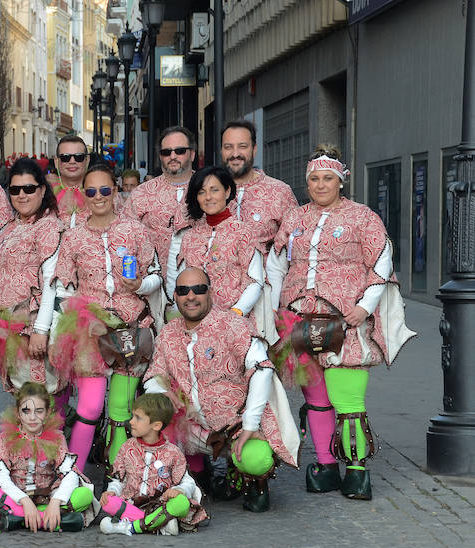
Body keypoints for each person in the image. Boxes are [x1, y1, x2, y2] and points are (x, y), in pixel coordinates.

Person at [266, 145, 415, 500]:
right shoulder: (294, 218)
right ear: (307, 182)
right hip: (299, 321)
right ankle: (326, 466)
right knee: (317, 400)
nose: (320, 185)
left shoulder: (363, 217)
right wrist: (274, 311)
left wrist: (364, 307)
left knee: (348, 402)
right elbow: (276, 264)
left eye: (327, 178)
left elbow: (381, 261)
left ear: (340, 181)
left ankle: (357, 472)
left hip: (345, 323)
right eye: (314, 179)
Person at [143, 267, 299, 512]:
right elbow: (152, 375)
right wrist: (161, 392)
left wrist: (250, 424)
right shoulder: (168, 333)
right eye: (183, 291)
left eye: (198, 289)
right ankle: (196, 472)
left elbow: (262, 368)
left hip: (236, 428)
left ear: (210, 292)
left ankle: (253, 481)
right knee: (149, 417)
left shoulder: (234, 325)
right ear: (175, 296)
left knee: (257, 459)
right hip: (193, 430)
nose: (191, 296)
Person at [50, 163, 162, 472]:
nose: (98, 197)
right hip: (90, 334)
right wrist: (77, 320)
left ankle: (117, 476)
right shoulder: (72, 238)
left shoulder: (136, 231)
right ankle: (73, 476)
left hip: (131, 329)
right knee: (89, 407)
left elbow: (156, 275)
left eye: (104, 190)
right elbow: (63, 289)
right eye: (90, 191)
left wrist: (140, 285)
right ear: (83, 195)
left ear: (115, 190)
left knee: (120, 409)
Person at [0, 158, 65, 402]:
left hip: (32, 330)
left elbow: (52, 282)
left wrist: (40, 331)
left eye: (29, 188)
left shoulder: (48, 226)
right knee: (23, 402)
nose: (22, 195)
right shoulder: (11, 226)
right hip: (10, 332)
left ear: (42, 190)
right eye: (15, 189)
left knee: (37, 402)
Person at [172, 165, 274, 342]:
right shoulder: (190, 237)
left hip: (235, 325)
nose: (208, 197)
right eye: (202, 192)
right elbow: (180, 281)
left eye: (214, 190)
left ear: (227, 192)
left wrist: (236, 313)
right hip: (195, 325)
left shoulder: (243, 232)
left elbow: (255, 281)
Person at [0, 383, 98, 533]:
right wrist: (25, 501)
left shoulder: (57, 438)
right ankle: (47, 520)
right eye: (26, 411)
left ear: (47, 413)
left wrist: (56, 502)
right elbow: (1, 478)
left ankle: (21, 519)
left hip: (47, 499)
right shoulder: (4, 438)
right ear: (18, 413)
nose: (32, 417)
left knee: (85, 494)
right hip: (17, 499)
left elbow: (70, 473)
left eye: (39, 411)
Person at [98, 393, 206, 536]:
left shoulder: (173, 452)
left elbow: (187, 482)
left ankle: (131, 527)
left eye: (138, 418)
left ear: (156, 425)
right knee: (108, 502)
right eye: (133, 416)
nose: (131, 421)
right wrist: (113, 491)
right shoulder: (127, 448)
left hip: (161, 505)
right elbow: (118, 479)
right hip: (131, 505)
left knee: (182, 503)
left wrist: (179, 490)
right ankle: (160, 523)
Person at [122, 126, 196, 280]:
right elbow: (124, 239)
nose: (173, 156)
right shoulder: (141, 194)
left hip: (201, 287)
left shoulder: (209, 190)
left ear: (192, 154)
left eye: (180, 151)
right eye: (166, 152)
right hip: (152, 285)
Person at [220, 120, 298, 251]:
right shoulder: (209, 193)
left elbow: (295, 243)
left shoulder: (280, 191)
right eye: (228, 147)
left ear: (254, 149)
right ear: (221, 150)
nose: (235, 154)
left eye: (242, 146)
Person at [49, 135, 90, 227]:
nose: (72, 161)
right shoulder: (44, 194)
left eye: (79, 157)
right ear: (56, 162)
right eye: (65, 157)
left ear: (87, 160)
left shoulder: (100, 193)